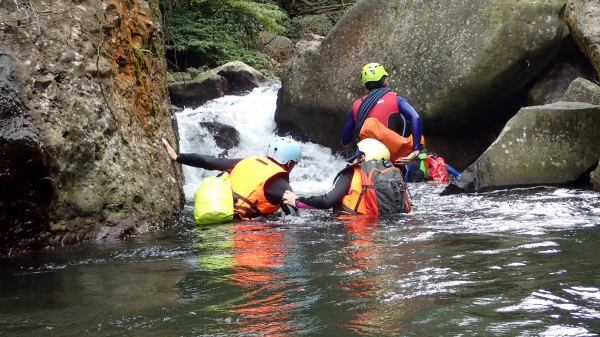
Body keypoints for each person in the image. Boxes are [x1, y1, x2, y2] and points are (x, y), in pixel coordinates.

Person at [162, 137, 301, 219]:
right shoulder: (280, 182)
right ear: (289, 163)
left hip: (218, 211)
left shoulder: (247, 161)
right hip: (243, 229)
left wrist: (177, 157)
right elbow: (294, 217)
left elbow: (208, 162)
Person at [282, 138, 410, 215]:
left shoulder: (352, 172)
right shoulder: (395, 173)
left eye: (357, 156)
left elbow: (327, 201)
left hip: (354, 228)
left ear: (363, 157)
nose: (351, 161)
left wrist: (297, 201)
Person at [341, 62, 423, 166]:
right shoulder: (396, 99)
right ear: (384, 82)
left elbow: (345, 140)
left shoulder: (357, 105)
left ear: (366, 87)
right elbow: (415, 118)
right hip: (393, 156)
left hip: (366, 156)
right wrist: (416, 151)